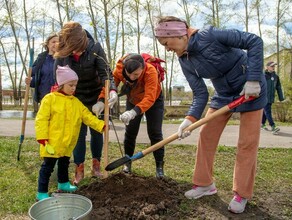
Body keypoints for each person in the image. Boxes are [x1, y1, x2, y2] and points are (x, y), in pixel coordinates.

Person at [154, 16, 267, 213]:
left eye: (166, 43)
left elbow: (254, 41)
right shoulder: (184, 60)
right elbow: (200, 93)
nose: (167, 49)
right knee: (206, 135)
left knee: (247, 143)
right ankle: (205, 184)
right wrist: (188, 120)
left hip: (251, 90)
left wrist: (254, 79)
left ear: (178, 34)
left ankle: (241, 194)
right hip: (223, 94)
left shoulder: (211, 35)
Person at [54, 21, 118, 185]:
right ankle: (79, 167)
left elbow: (106, 74)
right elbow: (58, 80)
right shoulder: (62, 53)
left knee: (97, 131)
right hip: (75, 98)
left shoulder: (95, 47)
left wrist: (109, 93)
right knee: (78, 134)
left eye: (80, 48)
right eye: (74, 49)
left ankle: (96, 165)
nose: (78, 52)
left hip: (97, 97)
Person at [35, 65, 105, 201]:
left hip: (67, 143)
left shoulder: (76, 102)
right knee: (47, 168)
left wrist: (101, 125)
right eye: (71, 85)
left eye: (75, 85)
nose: (74, 88)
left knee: (64, 164)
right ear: (61, 84)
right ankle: (41, 192)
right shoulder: (50, 99)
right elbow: (41, 119)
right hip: (52, 143)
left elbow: (87, 116)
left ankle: (63, 183)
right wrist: (42, 138)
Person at [93, 53, 165, 178]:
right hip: (133, 99)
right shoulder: (120, 69)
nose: (132, 77)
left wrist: (133, 112)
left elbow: (150, 97)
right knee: (130, 132)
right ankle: (127, 163)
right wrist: (101, 101)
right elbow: (109, 85)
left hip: (154, 101)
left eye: (136, 75)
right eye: (129, 73)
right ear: (124, 68)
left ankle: (159, 167)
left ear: (143, 68)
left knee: (155, 133)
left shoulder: (150, 72)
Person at [25, 33, 58, 105]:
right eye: (53, 42)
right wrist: (30, 81)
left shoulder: (63, 59)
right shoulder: (41, 59)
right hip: (44, 97)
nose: (56, 44)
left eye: (58, 42)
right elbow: (35, 77)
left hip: (59, 97)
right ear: (48, 44)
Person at [261, 61, 285, 134]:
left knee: (265, 111)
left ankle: (262, 124)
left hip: (271, 98)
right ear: (267, 67)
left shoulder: (276, 77)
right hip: (264, 97)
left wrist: (281, 98)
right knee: (268, 111)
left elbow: (278, 87)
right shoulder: (263, 75)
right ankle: (273, 126)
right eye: (272, 66)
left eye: (274, 66)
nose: (273, 67)